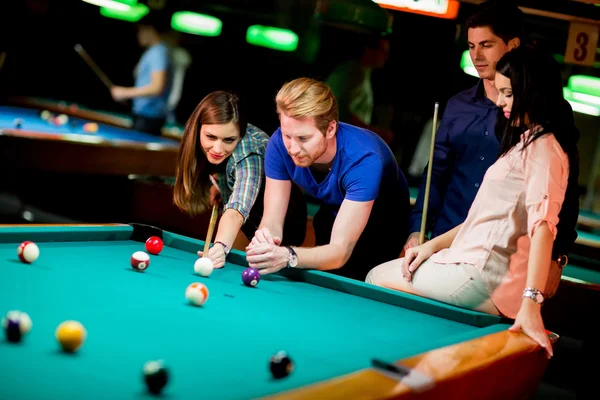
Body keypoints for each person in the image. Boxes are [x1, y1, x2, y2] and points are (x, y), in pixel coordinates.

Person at [366, 45, 579, 359]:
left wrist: (530, 303)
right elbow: (485, 218)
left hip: (482, 276)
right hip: (475, 269)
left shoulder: (542, 148)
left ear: (530, 92)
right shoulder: (525, 141)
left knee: (375, 277)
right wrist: (431, 246)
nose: (500, 101)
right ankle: (419, 360)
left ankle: (394, 359)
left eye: (508, 92)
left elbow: (544, 228)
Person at [405, 0, 580, 278]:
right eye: (472, 46)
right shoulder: (458, 106)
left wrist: (557, 258)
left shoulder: (546, 113)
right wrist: (418, 230)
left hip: (502, 261)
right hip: (440, 248)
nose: (477, 55)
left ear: (512, 46)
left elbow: (564, 190)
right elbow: (435, 175)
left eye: (486, 45)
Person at [245, 77, 410, 281]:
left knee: (355, 281)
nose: (293, 148)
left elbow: (339, 252)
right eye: (287, 135)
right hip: (333, 211)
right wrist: (264, 240)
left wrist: (288, 256)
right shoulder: (279, 144)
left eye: (303, 138)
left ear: (330, 129)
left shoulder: (364, 159)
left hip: (383, 227)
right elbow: (272, 220)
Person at [173, 91, 307, 268]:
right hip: (248, 218)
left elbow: (237, 210)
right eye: (211, 137)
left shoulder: (249, 152)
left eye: (229, 140)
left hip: (280, 225)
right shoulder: (203, 139)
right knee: (228, 267)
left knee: (240, 265)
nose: (218, 148)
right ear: (198, 129)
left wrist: (220, 246)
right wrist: (221, 182)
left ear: (241, 134)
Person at [111, 12, 173, 136]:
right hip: (147, 116)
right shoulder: (157, 51)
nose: (138, 35)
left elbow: (157, 87)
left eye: (140, 30)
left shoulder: (157, 53)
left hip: (148, 118)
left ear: (149, 30)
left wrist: (124, 93)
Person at [325, 34, 394, 144]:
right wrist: (374, 132)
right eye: (382, 51)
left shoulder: (364, 73)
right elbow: (339, 111)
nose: (385, 56)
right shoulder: (352, 72)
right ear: (368, 50)